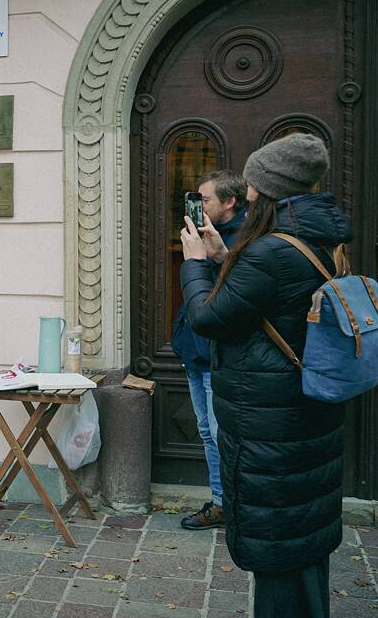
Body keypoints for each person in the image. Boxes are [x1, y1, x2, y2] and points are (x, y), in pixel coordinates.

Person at [180, 133, 350, 617]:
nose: (248, 191)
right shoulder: (321, 237)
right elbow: (272, 301)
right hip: (307, 411)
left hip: (269, 423)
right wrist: (220, 258)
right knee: (304, 535)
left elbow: (210, 318)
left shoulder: (270, 250)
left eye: (254, 183)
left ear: (266, 190)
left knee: (277, 545)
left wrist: (195, 266)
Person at [171, 170, 246, 530]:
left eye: (206, 200)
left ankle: (231, 505)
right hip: (195, 350)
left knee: (221, 432)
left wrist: (215, 257)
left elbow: (240, 296)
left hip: (222, 354)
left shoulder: (248, 239)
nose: (199, 206)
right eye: (197, 199)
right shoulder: (198, 235)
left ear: (230, 202)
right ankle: (221, 501)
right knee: (205, 430)